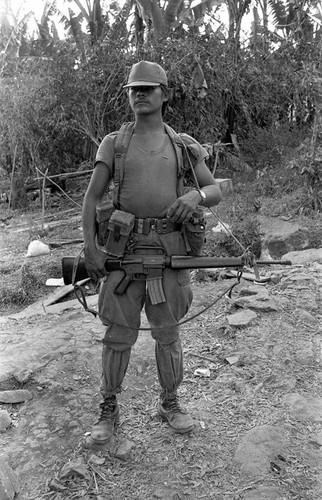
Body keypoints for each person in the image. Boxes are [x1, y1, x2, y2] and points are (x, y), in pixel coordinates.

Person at [82, 60, 222, 443]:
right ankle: (108, 409)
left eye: (148, 88)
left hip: (169, 252)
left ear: (164, 94)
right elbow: (92, 197)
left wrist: (195, 194)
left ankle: (170, 403)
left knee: (168, 333)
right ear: (128, 95)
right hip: (123, 252)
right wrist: (90, 248)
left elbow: (216, 191)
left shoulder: (182, 145)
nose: (140, 94)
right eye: (134, 89)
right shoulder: (115, 143)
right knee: (118, 336)